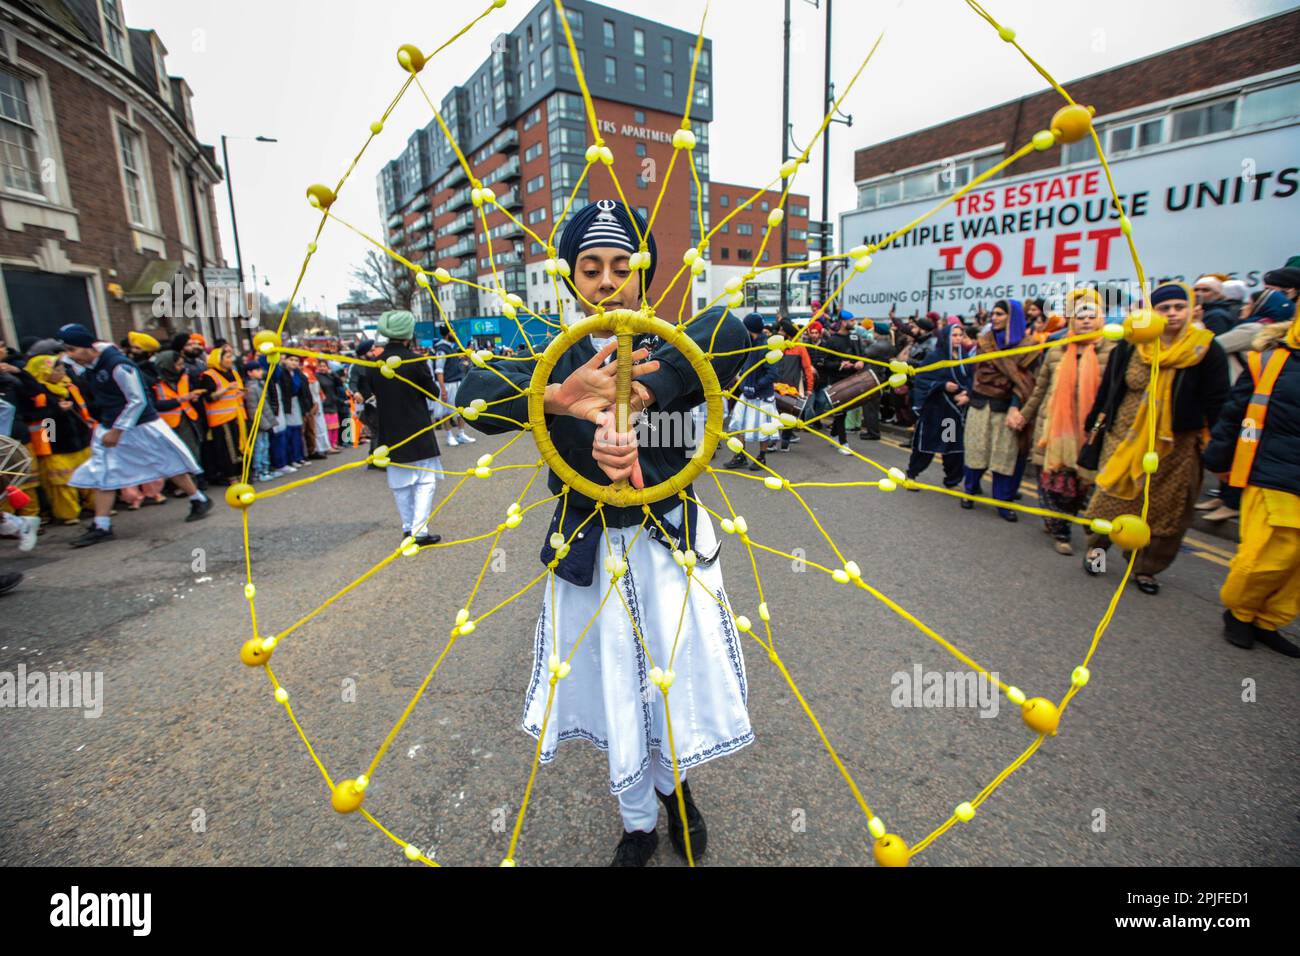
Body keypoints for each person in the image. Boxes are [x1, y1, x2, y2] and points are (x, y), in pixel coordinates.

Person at [456, 198, 752, 867]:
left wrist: (645, 393)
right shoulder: (549, 357)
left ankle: (679, 795)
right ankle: (638, 823)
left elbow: (738, 330)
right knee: (619, 682)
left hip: (667, 546)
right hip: (589, 551)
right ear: (571, 278)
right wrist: (560, 396)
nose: (607, 281)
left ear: (645, 274)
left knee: (669, 679)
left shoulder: (676, 347)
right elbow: (474, 392)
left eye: (623, 265)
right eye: (591, 267)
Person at [1081, 284, 1229, 594]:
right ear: (1153, 312)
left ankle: (1145, 568)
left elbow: (1218, 402)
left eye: (1179, 306)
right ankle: (1097, 551)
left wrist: (1222, 447)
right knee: (1110, 500)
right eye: (1165, 308)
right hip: (1124, 437)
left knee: (1162, 511)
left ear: (1191, 310)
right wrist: (1093, 422)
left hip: (1174, 447)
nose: (1173, 313)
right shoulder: (1132, 344)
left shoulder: (1205, 349)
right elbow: (1110, 388)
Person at [59, 324, 212, 546]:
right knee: (104, 471)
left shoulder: (118, 365)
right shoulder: (87, 363)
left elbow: (137, 399)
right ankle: (102, 525)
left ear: (87, 346)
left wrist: (118, 430)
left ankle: (198, 499)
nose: (68, 355)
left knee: (167, 461)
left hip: (139, 425)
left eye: (72, 349)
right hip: (109, 424)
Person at [1204, 308, 1300, 657]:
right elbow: (1235, 412)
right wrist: (1218, 456)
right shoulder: (1268, 361)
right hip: (1272, 473)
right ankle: (1241, 612)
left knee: (1295, 568)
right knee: (1268, 555)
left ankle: (1269, 620)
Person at [1017, 289, 1115, 555]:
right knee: (1053, 480)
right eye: (1080, 316)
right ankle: (1061, 530)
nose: (1085, 321)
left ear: (1101, 318)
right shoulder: (1056, 350)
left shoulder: (1113, 350)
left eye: (1091, 316)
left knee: (1080, 486)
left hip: (1091, 431)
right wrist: (1024, 414)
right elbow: (1040, 388)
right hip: (1054, 428)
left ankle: (1064, 518)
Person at [367, 310, 442, 545]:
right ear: (408, 333)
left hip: (390, 431)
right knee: (425, 481)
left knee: (400, 484)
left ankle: (408, 527)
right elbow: (433, 392)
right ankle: (419, 530)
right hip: (417, 429)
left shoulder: (374, 364)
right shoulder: (415, 361)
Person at [962, 299, 1036, 519]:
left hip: (1006, 408)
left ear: (1012, 318)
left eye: (1000, 314)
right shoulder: (984, 341)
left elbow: (1026, 381)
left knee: (1004, 455)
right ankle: (970, 491)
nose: (994, 317)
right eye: (993, 314)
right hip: (979, 404)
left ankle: (1003, 501)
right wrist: (968, 392)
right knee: (976, 449)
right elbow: (974, 371)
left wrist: (1015, 407)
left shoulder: (1028, 346)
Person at [22, 354, 95, 525]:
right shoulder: (36, 393)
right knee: (61, 482)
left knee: (89, 474)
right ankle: (68, 514)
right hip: (54, 441)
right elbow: (29, 416)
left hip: (80, 437)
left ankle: (94, 505)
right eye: (57, 370)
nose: (61, 373)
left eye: (62, 369)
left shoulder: (70, 387)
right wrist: (56, 410)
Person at [905, 322, 973, 490]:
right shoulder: (935, 357)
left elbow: (972, 380)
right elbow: (922, 379)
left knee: (950, 446)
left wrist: (967, 394)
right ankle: (912, 475)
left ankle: (951, 480)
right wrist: (942, 385)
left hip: (951, 414)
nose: (958, 339)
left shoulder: (966, 358)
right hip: (934, 411)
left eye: (960, 335)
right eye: (954, 335)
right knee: (926, 446)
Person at [723, 313, 780, 471]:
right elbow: (744, 365)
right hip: (746, 394)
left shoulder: (767, 346)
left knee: (764, 428)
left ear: (749, 328)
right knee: (738, 424)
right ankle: (740, 455)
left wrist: (756, 385)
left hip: (762, 396)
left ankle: (762, 457)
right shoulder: (747, 343)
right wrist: (739, 377)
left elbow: (773, 373)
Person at [812, 315, 866, 455]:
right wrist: (839, 365)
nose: (854, 323)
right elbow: (825, 362)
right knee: (840, 412)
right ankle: (843, 442)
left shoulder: (855, 338)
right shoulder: (832, 340)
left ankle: (834, 434)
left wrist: (860, 363)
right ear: (843, 322)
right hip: (836, 380)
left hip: (852, 378)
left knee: (844, 410)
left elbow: (862, 355)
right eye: (851, 321)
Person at [151, 349, 207, 477]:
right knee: (176, 454)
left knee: (193, 450)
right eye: (178, 365)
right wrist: (180, 400)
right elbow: (156, 405)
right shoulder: (155, 382)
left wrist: (194, 397)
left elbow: (190, 391)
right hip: (168, 424)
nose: (181, 367)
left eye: (182, 364)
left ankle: (197, 480)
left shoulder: (185, 377)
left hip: (189, 419)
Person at [433, 328, 475, 446]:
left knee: (461, 409)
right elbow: (439, 370)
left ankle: (461, 433)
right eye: (453, 331)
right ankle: (449, 435)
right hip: (447, 384)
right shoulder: (441, 349)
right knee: (446, 411)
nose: (455, 333)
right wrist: (443, 389)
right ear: (447, 334)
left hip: (457, 382)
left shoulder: (451, 346)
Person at [242, 360, 275, 481]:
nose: (261, 372)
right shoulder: (250, 388)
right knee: (259, 446)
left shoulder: (259, 384)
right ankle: (258, 470)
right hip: (259, 422)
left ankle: (265, 469)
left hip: (264, 421)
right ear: (249, 373)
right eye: (257, 370)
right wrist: (263, 423)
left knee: (265, 445)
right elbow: (253, 409)